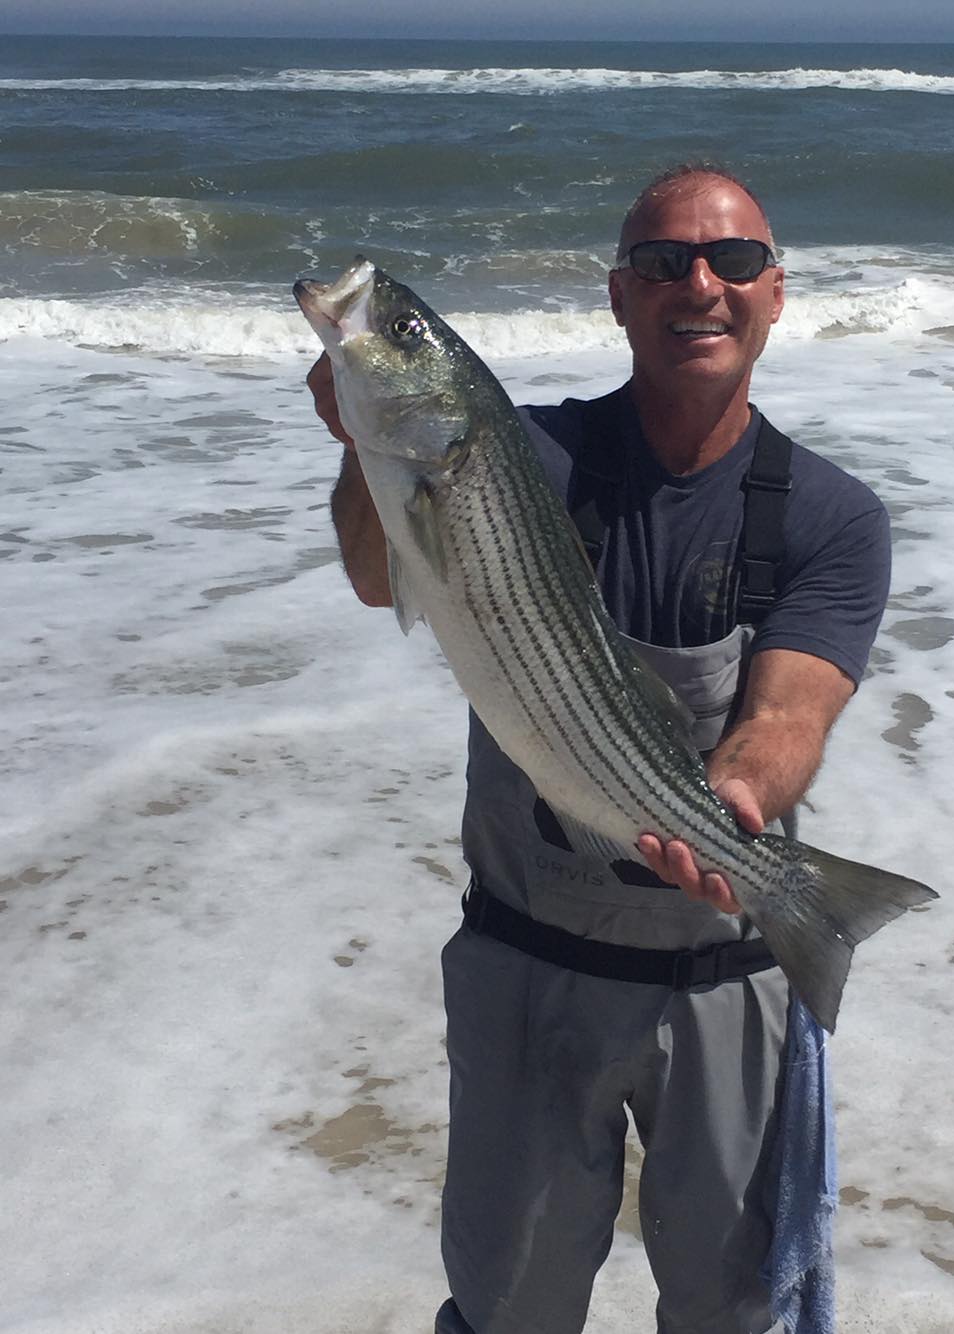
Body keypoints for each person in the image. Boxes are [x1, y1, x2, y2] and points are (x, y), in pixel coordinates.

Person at [308, 164, 892, 1334]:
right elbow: (382, 579)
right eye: (660, 261)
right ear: (617, 299)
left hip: (724, 965)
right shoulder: (523, 454)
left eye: (731, 261)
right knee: (508, 1307)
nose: (699, 285)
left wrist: (731, 802)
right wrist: (359, 437)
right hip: (526, 964)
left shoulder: (828, 514)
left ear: (774, 294)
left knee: (735, 1310)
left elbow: (789, 716)